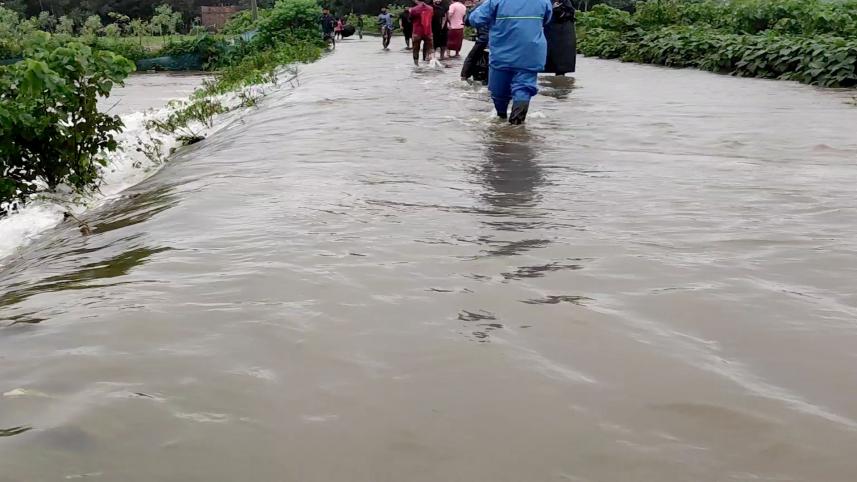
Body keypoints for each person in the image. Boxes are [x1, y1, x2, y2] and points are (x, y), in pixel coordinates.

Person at [468, 0, 552, 124]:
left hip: (503, 52)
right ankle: (516, 123)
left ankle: (501, 119)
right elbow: (547, 19)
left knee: (499, 91)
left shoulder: (495, 1)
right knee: (524, 87)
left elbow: (475, 19)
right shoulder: (544, 1)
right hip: (531, 52)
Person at [544, 0, 576, 75]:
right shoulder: (549, 2)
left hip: (563, 35)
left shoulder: (566, 3)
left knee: (560, 67)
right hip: (554, 34)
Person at [461, 8, 489, 82]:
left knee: (471, 58)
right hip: (501, 39)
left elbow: (468, 18)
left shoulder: (482, 5)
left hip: (484, 38)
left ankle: (464, 78)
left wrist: (467, 22)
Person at [410, 0, 434, 66]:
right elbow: (431, 17)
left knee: (415, 49)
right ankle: (429, 63)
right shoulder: (430, 8)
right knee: (429, 48)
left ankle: (416, 64)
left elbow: (410, 19)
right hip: (428, 31)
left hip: (417, 32)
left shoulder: (414, 9)